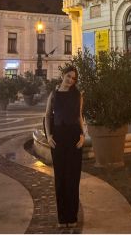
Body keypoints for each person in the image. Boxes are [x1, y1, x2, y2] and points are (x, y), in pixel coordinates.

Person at [45, 65, 84, 228]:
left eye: (73, 78)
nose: (70, 80)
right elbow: (47, 115)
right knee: (60, 178)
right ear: (63, 75)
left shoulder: (78, 95)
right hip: (58, 138)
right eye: (68, 76)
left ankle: (72, 216)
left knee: (73, 179)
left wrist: (83, 135)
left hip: (75, 138)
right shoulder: (54, 95)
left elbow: (80, 117)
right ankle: (62, 217)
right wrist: (48, 136)